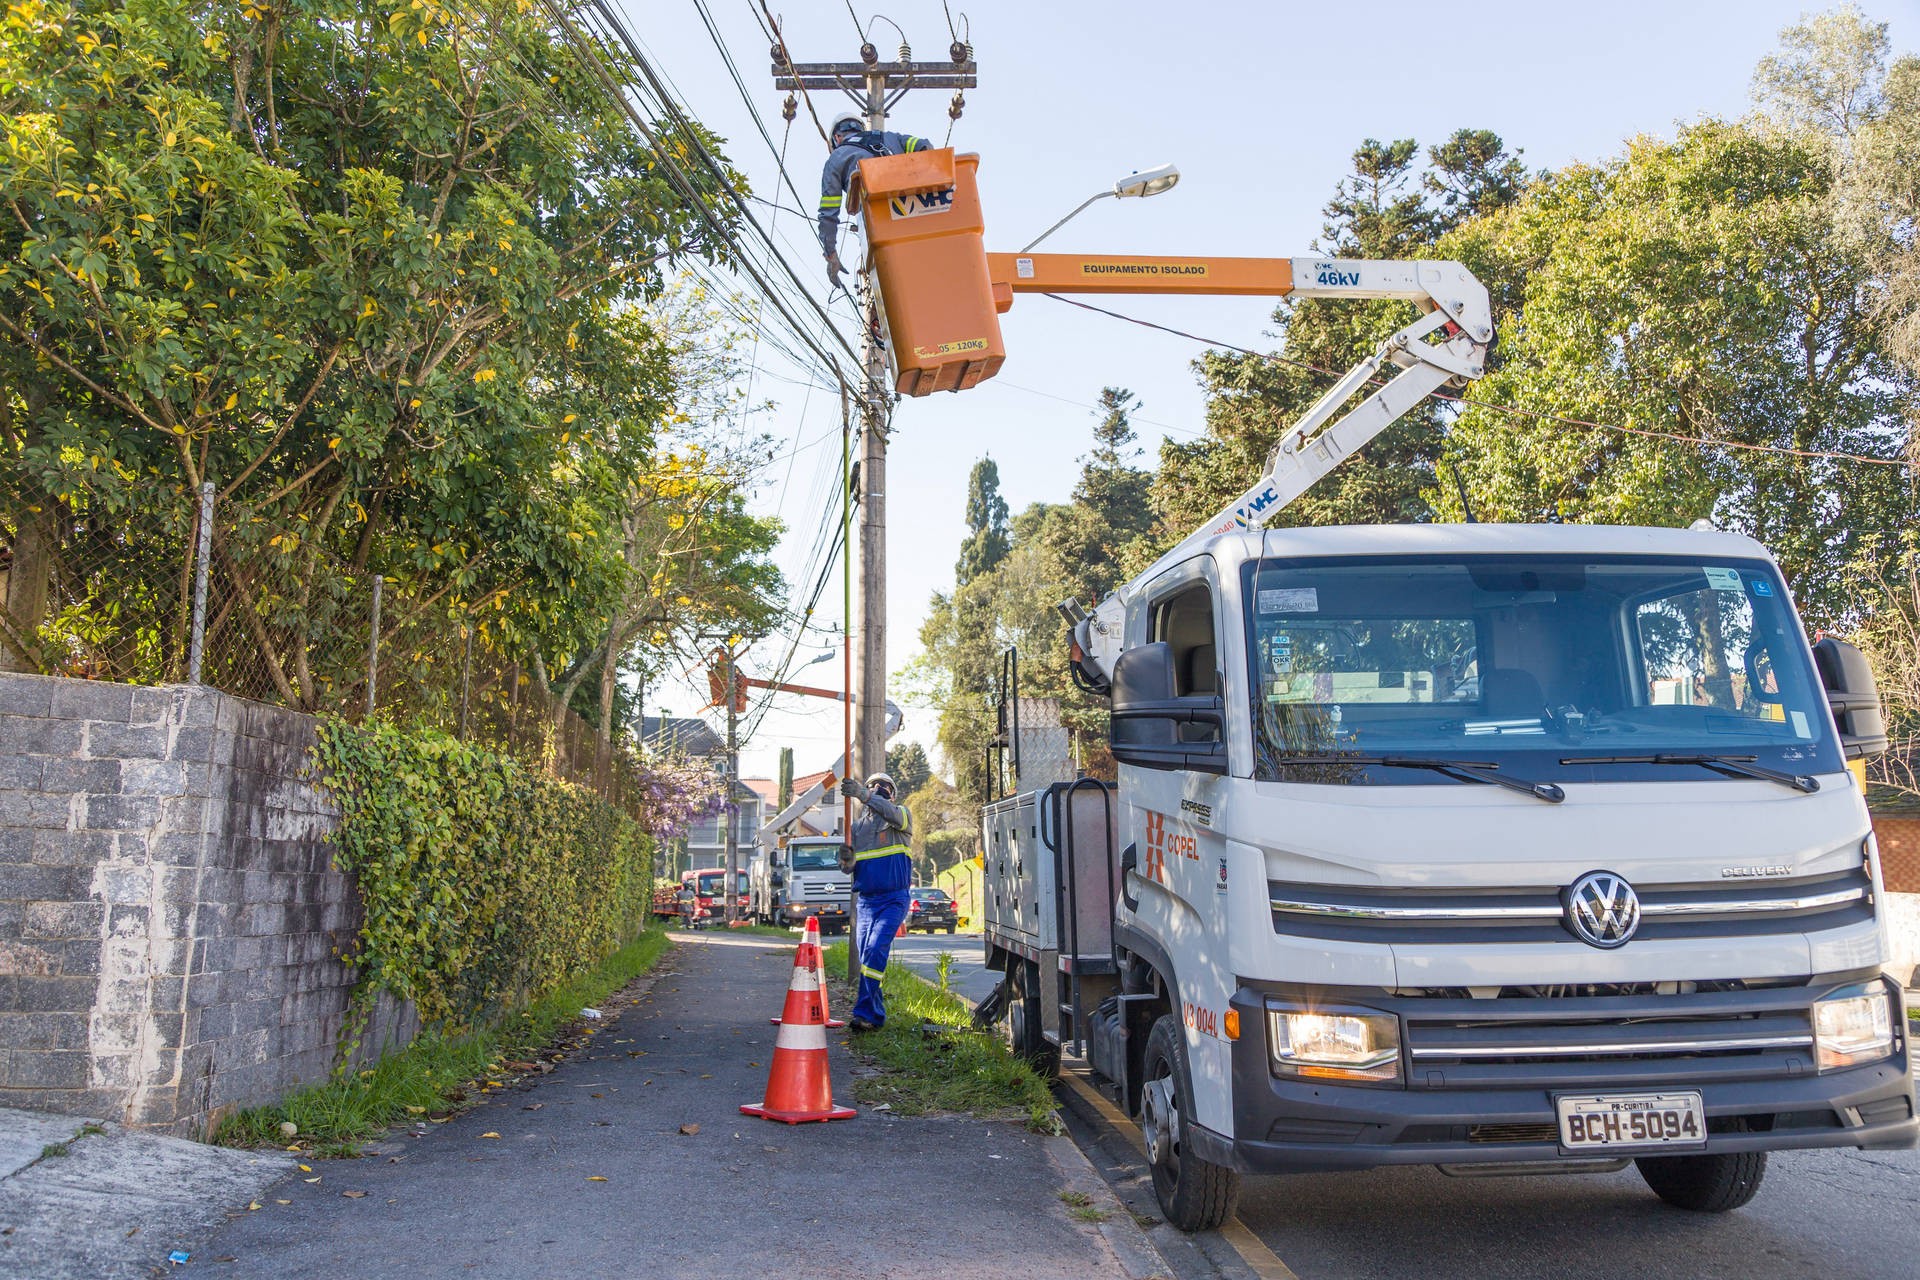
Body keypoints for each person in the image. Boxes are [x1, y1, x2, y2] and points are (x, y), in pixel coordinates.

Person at [838, 770, 913, 1031]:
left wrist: (863, 793)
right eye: (873, 785)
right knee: (867, 957)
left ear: (892, 795)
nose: (880, 788)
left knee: (874, 951)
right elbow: (847, 869)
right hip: (867, 903)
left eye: (885, 786)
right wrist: (845, 859)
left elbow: (888, 811)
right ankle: (874, 1014)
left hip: (894, 900)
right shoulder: (856, 828)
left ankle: (865, 1013)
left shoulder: (900, 817)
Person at [818, 112, 932, 284]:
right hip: (917, 213)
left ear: (837, 138)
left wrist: (831, 254)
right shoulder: (891, 138)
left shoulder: (836, 158)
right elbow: (925, 147)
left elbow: (828, 213)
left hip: (876, 222)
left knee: (891, 282)